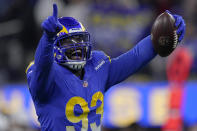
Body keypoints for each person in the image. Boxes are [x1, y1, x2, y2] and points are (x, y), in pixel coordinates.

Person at [26, 3, 185, 131]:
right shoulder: (45, 75)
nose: (77, 47)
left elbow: (135, 56)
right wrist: (47, 39)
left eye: (80, 40)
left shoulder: (97, 66)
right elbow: (43, 67)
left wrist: (162, 36)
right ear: (54, 47)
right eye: (69, 42)